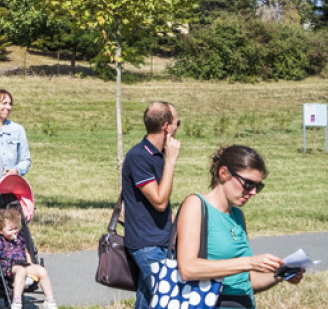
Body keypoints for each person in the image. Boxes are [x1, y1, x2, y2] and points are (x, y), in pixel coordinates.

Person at [176, 145, 304, 309]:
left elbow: (246, 282)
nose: (253, 193)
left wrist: (281, 274)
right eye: (248, 184)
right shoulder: (196, 205)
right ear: (224, 174)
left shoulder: (237, 215)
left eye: (258, 186)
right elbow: (188, 268)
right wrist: (250, 262)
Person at [122, 101, 181, 309]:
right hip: (146, 244)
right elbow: (159, 201)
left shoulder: (159, 155)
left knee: (148, 301)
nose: (177, 129)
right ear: (166, 127)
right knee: (169, 297)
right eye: (177, 123)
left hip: (162, 240)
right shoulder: (138, 156)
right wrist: (171, 162)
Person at [0, 208, 57, 309]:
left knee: (42, 271)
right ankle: (17, 301)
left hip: (24, 264)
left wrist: (31, 263)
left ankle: (50, 300)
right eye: (10, 229)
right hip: (9, 267)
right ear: (0, 230)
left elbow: (26, 252)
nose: (14, 231)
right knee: (21, 271)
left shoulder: (20, 238)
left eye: (16, 228)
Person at [0, 88, 30, 182]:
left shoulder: (17, 130)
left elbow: (25, 160)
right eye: (4, 103)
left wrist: (16, 170)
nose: (8, 107)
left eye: (10, 104)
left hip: (8, 188)